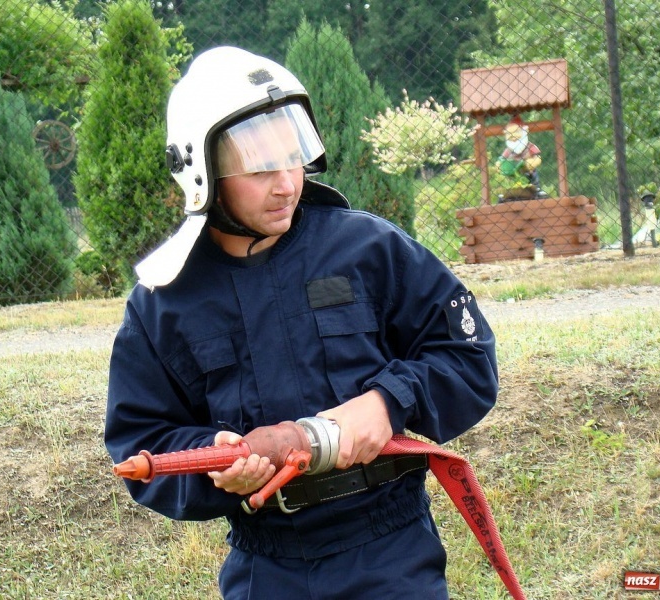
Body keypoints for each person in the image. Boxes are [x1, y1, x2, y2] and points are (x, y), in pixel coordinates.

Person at [104, 46, 498, 600]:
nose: (286, 182)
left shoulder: (368, 248)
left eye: (293, 154)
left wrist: (388, 401)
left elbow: (468, 357)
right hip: (266, 568)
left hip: (390, 554)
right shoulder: (161, 304)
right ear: (202, 171)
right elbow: (140, 439)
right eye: (258, 166)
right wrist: (213, 462)